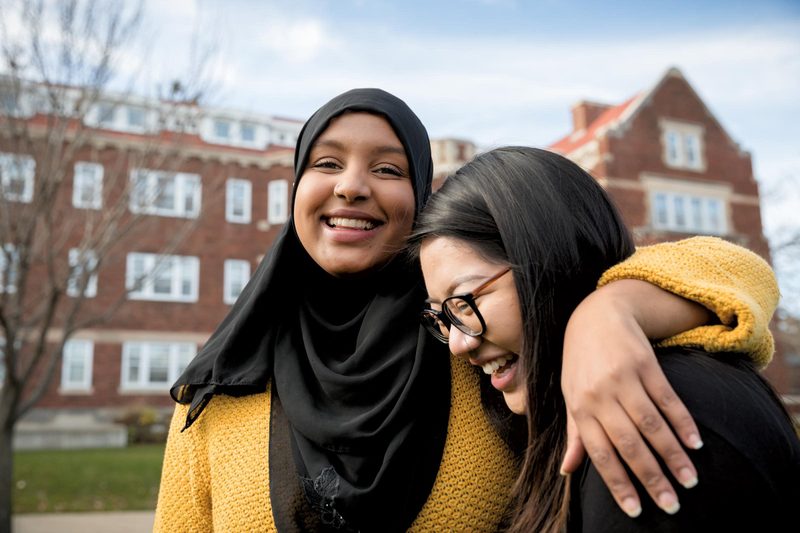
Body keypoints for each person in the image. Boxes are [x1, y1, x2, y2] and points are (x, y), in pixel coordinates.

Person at [153, 89, 774, 532]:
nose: (351, 186)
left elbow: (737, 272)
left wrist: (610, 312)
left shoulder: (478, 348)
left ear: (422, 200)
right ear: (296, 191)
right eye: (326, 163)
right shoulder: (220, 387)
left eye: (388, 168)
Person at [410, 145, 800, 532]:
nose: (459, 345)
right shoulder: (543, 416)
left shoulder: (647, 414)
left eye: (465, 301)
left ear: (550, 259)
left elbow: (747, 270)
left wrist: (607, 310)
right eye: (442, 315)